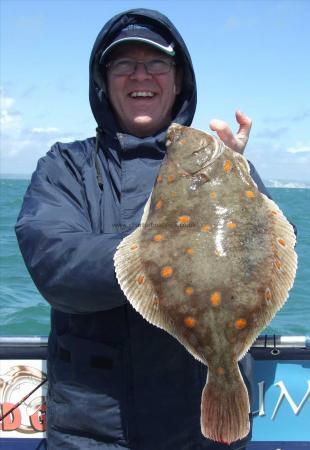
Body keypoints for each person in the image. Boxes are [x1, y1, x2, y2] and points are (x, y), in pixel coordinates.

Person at [15, 8, 271, 450]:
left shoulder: (224, 161)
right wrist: (165, 250)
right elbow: (56, 265)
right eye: (124, 65)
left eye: (156, 64)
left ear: (178, 80)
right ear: (103, 80)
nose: (142, 75)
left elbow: (270, 253)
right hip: (93, 433)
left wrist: (239, 176)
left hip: (196, 429)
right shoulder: (65, 166)